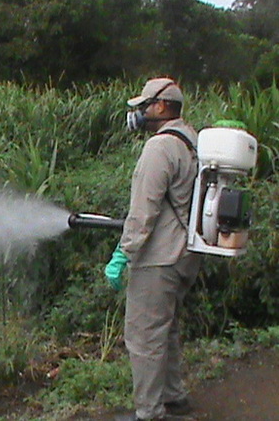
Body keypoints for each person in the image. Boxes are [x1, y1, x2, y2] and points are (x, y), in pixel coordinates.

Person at [105, 77, 201, 421]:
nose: (141, 113)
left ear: (162, 106)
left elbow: (143, 211)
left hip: (159, 258)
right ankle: (174, 398)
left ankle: (149, 413)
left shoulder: (160, 147)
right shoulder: (190, 139)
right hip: (187, 255)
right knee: (167, 329)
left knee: (144, 337)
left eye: (144, 106)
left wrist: (123, 254)